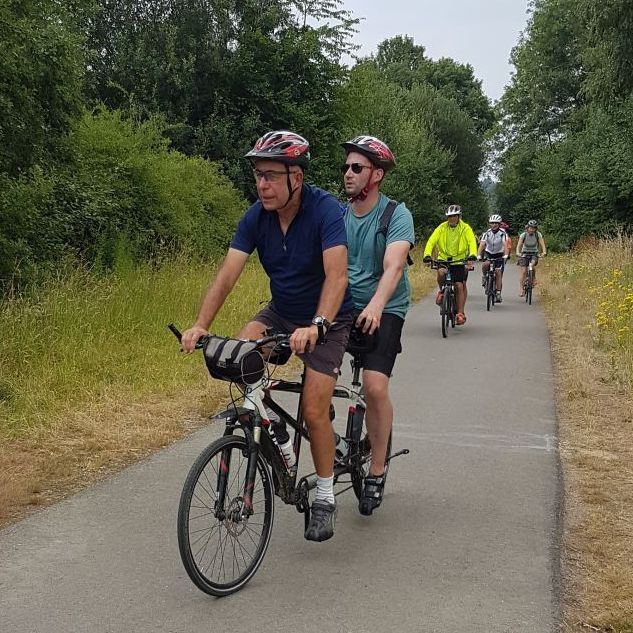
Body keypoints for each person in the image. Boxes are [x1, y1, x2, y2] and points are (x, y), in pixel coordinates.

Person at [181, 130, 354, 543]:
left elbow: (338, 276)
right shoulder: (255, 216)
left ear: (297, 176)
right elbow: (227, 274)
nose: (262, 184)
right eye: (258, 175)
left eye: (271, 175)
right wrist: (201, 324)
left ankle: (326, 495)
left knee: (314, 410)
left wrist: (317, 325)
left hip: (327, 319)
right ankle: (273, 427)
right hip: (280, 313)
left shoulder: (325, 210)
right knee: (236, 356)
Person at [340, 135, 415, 516]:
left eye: (357, 167)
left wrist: (375, 304)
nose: (348, 174)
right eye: (346, 167)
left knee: (374, 385)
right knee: (313, 379)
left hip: (385, 307)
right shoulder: (338, 215)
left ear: (377, 174)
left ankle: (377, 466)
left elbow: (394, 267)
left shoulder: (395, 215)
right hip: (345, 307)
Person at [423, 205, 478, 325]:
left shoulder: (465, 228)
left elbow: (471, 242)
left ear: (459, 216)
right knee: (441, 273)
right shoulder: (441, 227)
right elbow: (431, 241)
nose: (452, 218)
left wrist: (472, 255)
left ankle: (460, 313)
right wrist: (427, 255)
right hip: (443, 259)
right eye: (449, 216)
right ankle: (442, 291)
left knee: (459, 285)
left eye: (454, 216)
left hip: (459, 261)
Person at [478, 214, 510, 302]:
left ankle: (498, 293)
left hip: (499, 254)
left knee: (498, 272)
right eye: (492, 223)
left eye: (496, 223)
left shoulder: (503, 234)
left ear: (499, 224)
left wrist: (506, 255)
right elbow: (482, 244)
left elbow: (505, 245)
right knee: (485, 264)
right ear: (490, 224)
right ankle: (484, 277)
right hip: (489, 253)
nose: (494, 225)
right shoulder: (487, 233)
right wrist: (479, 255)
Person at [516, 219, 547, 296]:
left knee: (531, 265)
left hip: (534, 253)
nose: (532, 230)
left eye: (533, 228)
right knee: (524, 271)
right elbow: (519, 245)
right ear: (527, 228)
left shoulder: (538, 234)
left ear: (536, 229)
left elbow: (542, 244)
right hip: (524, 253)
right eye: (530, 228)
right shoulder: (523, 235)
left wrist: (544, 252)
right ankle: (521, 289)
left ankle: (533, 278)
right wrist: (517, 252)